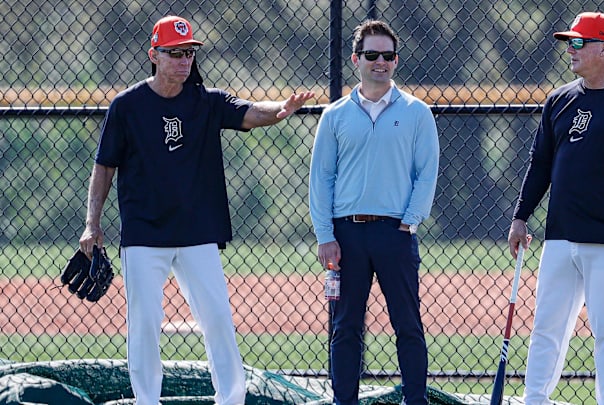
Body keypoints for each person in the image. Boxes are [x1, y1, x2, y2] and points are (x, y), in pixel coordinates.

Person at [78, 15, 314, 405]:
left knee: (218, 320)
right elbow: (104, 165)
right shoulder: (127, 106)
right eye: (175, 53)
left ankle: (231, 400)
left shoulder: (205, 100)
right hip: (144, 234)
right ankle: (147, 401)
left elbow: (251, 112)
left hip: (196, 232)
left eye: (189, 53)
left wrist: (282, 110)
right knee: (144, 326)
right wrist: (92, 223)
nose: (184, 60)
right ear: (154, 55)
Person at [507, 12, 604, 405]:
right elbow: (540, 163)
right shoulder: (559, 100)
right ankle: (534, 400)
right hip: (560, 236)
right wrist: (521, 215)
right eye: (570, 42)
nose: (571, 50)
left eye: (579, 42)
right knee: (546, 327)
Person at [308, 20, 439, 405]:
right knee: (345, 328)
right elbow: (322, 178)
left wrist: (409, 221)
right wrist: (325, 236)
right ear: (356, 60)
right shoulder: (334, 115)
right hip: (346, 236)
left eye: (387, 55)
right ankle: (343, 401)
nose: (380, 62)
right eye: (372, 55)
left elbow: (426, 172)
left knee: (408, 325)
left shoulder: (416, 112)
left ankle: (415, 400)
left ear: (395, 61)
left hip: (395, 234)